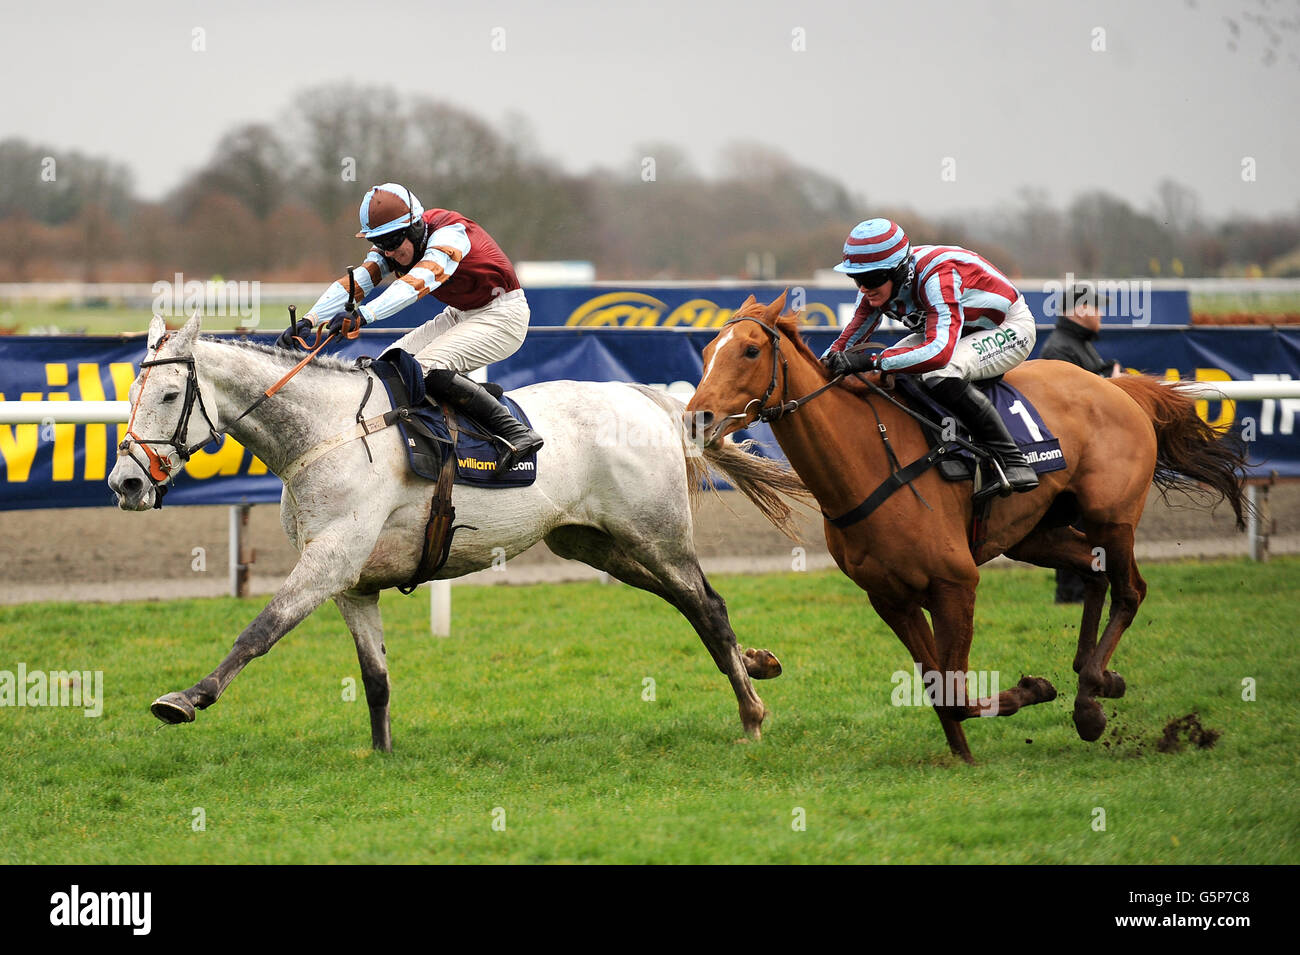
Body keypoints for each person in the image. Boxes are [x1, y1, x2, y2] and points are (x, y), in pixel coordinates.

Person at [280, 182, 543, 475]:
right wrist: (309, 320)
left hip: (504, 315)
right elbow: (357, 285)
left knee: (425, 368)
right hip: (462, 314)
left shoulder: (450, 236)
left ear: (416, 227)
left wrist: (363, 316)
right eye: (381, 244)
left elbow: (414, 285)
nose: (388, 253)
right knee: (388, 366)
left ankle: (516, 432)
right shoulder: (394, 246)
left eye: (392, 243)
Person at [822, 218, 1038, 498]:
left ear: (899, 272)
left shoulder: (938, 276)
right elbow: (844, 345)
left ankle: (1014, 461)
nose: (863, 288)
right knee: (890, 370)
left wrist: (873, 360)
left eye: (872, 279)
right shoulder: (875, 290)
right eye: (857, 279)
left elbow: (939, 353)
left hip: (1008, 327)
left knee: (938, 372)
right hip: (959, 331)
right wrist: (820, 369)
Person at [1039, 282, 1121, 602]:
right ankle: (1071, 593)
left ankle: (1084, 589)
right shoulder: (1060, 348)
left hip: (1083, 458)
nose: (1100, 314)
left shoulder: (1078, 343)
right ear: (1080, 310)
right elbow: (1072, 404)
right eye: (1095, 307)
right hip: (1071, 460)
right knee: (1074, 524)